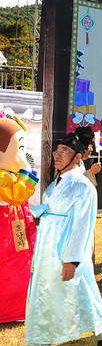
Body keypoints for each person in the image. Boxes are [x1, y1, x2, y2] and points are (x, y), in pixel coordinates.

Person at [25, 130, 102, 346]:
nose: (57, 155)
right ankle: (40, 344)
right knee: (44, 294)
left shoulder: (84, 187)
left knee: (83, 292)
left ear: (78, 157)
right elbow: (53, 209)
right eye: (57, 151)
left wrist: (72, 259)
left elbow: (83, 226)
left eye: (65, 151)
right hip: (46, 251)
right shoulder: (56, 183)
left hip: (65, 250)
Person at [0, 116, 38, 324]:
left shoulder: (7, 174)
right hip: (4, 227)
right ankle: (8, 310)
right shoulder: (2, 177)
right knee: (7, 266)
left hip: (14, 223)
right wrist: (25, 172)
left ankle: (18, 307)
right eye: (19, 149)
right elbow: (16, 196)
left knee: (20, 263)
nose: (24, 155)